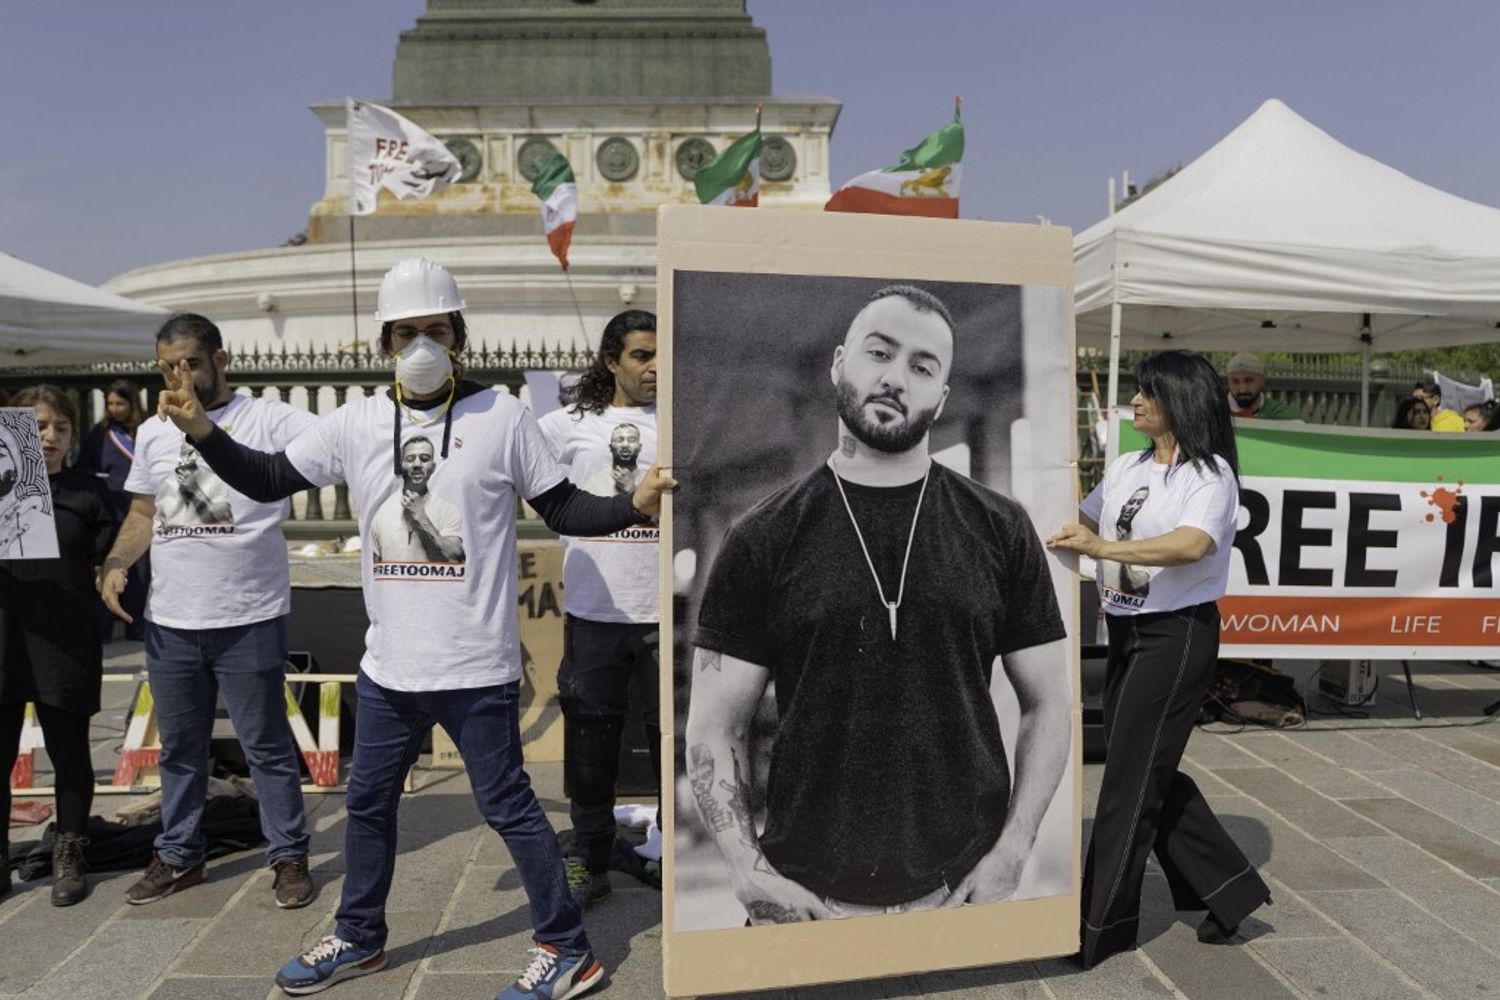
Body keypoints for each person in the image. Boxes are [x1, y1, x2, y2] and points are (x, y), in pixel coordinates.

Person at [153, 258, 673, 998]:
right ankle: (360, 936)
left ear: (458, 336)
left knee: (508, 808)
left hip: (474, 665)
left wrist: (634, 504)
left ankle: (566, 949)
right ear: (383, 342)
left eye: (436, 329)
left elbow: (563, 510)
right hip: (389, 665)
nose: (422, 343)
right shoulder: (357, 421)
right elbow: (268, 478)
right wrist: (203, 429)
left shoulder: (501, 416)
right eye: (407, 331)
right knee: (366, 804)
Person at [684, 284, 1070, 924]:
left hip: (966, 887)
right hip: (806, 896)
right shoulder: (763, 536)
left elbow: (1051, 701)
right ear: (840, 364)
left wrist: (1015, 847)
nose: (896, 378)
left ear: (942, 395)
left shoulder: (1001, 527)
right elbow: (714, 725)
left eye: (923, 367)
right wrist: (746, 868)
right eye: (879, 353)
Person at [1047, 349, 1271, 968]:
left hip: (1177, 638)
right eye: (1137, 391)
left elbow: (1192, 544)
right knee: (1145, 768)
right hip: (1125, 632)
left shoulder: (1211, 476)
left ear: (1180, 400)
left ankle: (1099, 928)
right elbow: (1078, 521)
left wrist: (1104, 545)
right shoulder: (1125, 465)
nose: (1136, 402)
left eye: (1147, 392)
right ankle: (1231, 888)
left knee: (1126, 781)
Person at [99, 313, 317, 909]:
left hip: (248, 612)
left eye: (191, 363)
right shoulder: (152, 432)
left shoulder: (270, 419)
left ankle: (288, 855)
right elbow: (144, 512)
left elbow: (340, 446)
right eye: (168, 366)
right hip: (172, 617)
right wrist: (117, 561)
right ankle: (178, 854)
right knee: (179, 748)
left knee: (265, 744)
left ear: (221, 359)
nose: (180, 376)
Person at [536, 309, 660, 910]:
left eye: (663, 354)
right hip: (594, 614)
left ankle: (670, 852)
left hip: (669, 614)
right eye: (641, 355)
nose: (655, 367)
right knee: (591, 744)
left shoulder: (686, 420)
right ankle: (589, 856)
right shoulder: (563, 426)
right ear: (611, 362)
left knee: (676, 744)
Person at [0, 385, 116, 906]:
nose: (50, 437)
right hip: (4, 640)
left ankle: (69, 849)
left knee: (70, 756)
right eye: (39, 426)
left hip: (64, 641)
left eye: (61, 427)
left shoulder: (89, 492)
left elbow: (110, 561)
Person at [77, 380, 149, 639]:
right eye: (110, 404)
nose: (115, 409)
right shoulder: (100, 435)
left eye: (120, 403)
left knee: (140, 575)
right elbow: (83, 468)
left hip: (140, 511)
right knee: (108, 568)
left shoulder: (147, 431)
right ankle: (104, 626)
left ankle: (137, 624)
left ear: (132, 404)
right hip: (110, 512)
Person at [1224, 353, 1301, 420]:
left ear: (1262, 380)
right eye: (1235, 381)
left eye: (1249, 381)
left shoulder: (1284, 416)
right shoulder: (1216, 413)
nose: (1242, 390)